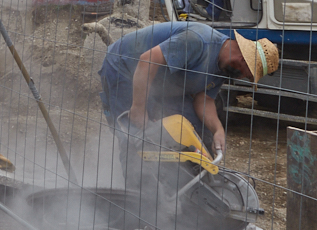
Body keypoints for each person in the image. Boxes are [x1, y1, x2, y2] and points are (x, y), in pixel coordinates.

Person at [99, 22, 279, 155]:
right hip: (124, 66)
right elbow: (147, 61)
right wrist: (138, 107)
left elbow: (204, 100)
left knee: (196, 130)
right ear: (243, 59)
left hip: (160, 80)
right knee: (136, 134)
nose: (241, 78)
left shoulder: (222, 69)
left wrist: (218, 130)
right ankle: (137, 191)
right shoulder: (198, 40)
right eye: (246, 74)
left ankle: (182, 185)